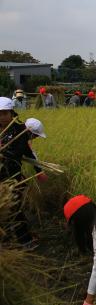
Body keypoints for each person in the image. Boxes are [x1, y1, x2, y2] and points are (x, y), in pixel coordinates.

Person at [0, 97, 45, 246]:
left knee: (15, 207)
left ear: (12, 113)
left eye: (5, 113)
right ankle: (6, 239)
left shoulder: (19, 130)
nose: (2, 117)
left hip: (12, 177)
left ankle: (24, 241)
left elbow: (24, 152)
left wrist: (38, 170)